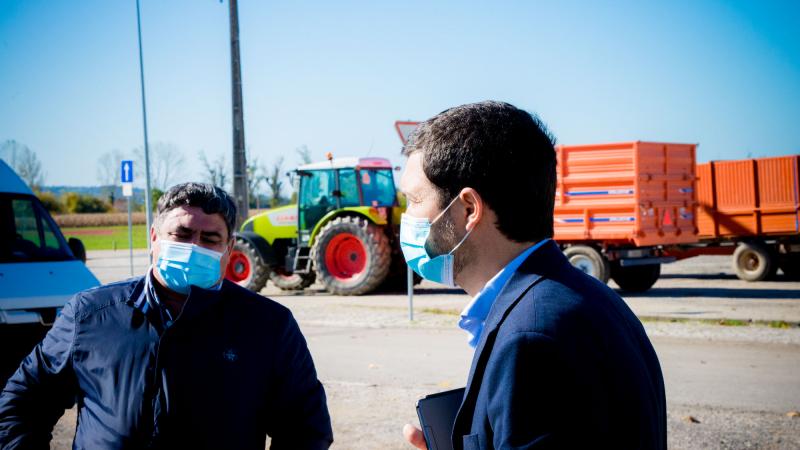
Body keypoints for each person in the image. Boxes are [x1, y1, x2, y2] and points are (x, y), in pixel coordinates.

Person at [399, 101, 666, 449]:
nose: (407, 217)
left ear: (468, 209)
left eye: (415, 200)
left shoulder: (530, 338)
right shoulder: (592, 299)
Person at [0, 183, 333, 449]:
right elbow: (22, 400)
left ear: (229, 248)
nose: (194, 247)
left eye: (210, 239)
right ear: (155, 238)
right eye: (182, 234)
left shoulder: (268, 325)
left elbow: (305, 427)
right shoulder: (91, 314)